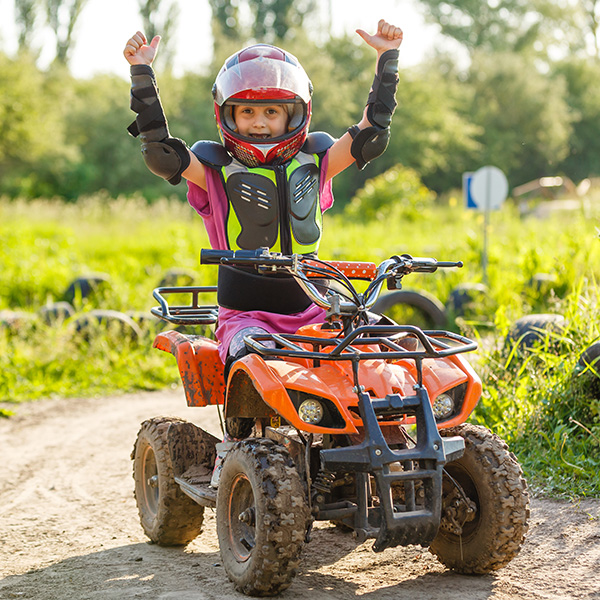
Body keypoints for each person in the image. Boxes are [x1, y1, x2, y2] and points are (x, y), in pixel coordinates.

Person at [124, 20, 402, 485]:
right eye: (248, 113)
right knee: (256, 358)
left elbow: (371, 134)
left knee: (386, 341)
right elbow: (161, 153)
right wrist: (142, 74)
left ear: (296, 115)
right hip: (247, 315)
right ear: (227, 117)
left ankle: (387, 441)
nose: (260, 123)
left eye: (272, 112)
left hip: (315, 307)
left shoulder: (316, 162)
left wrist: (387, 60)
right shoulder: (212, 170)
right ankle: (235, 451)